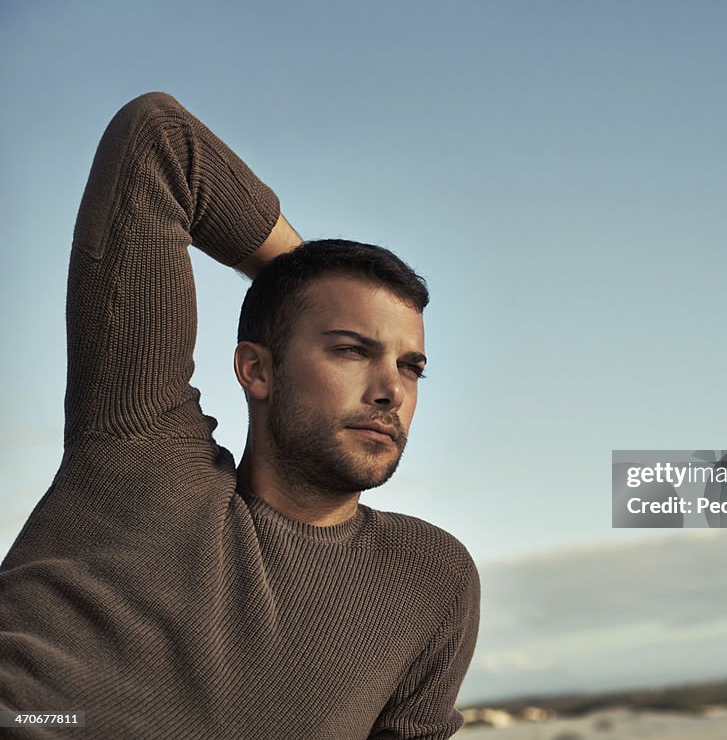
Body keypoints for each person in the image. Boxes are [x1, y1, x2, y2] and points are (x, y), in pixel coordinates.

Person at [0, 92, 479, 739]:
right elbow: (159, 143)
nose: (391, 389)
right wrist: (303, 277)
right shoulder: (141, 451)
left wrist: (322, 300)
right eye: (351, 349)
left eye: (411, 366)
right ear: (257, 369)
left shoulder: (432, 578)